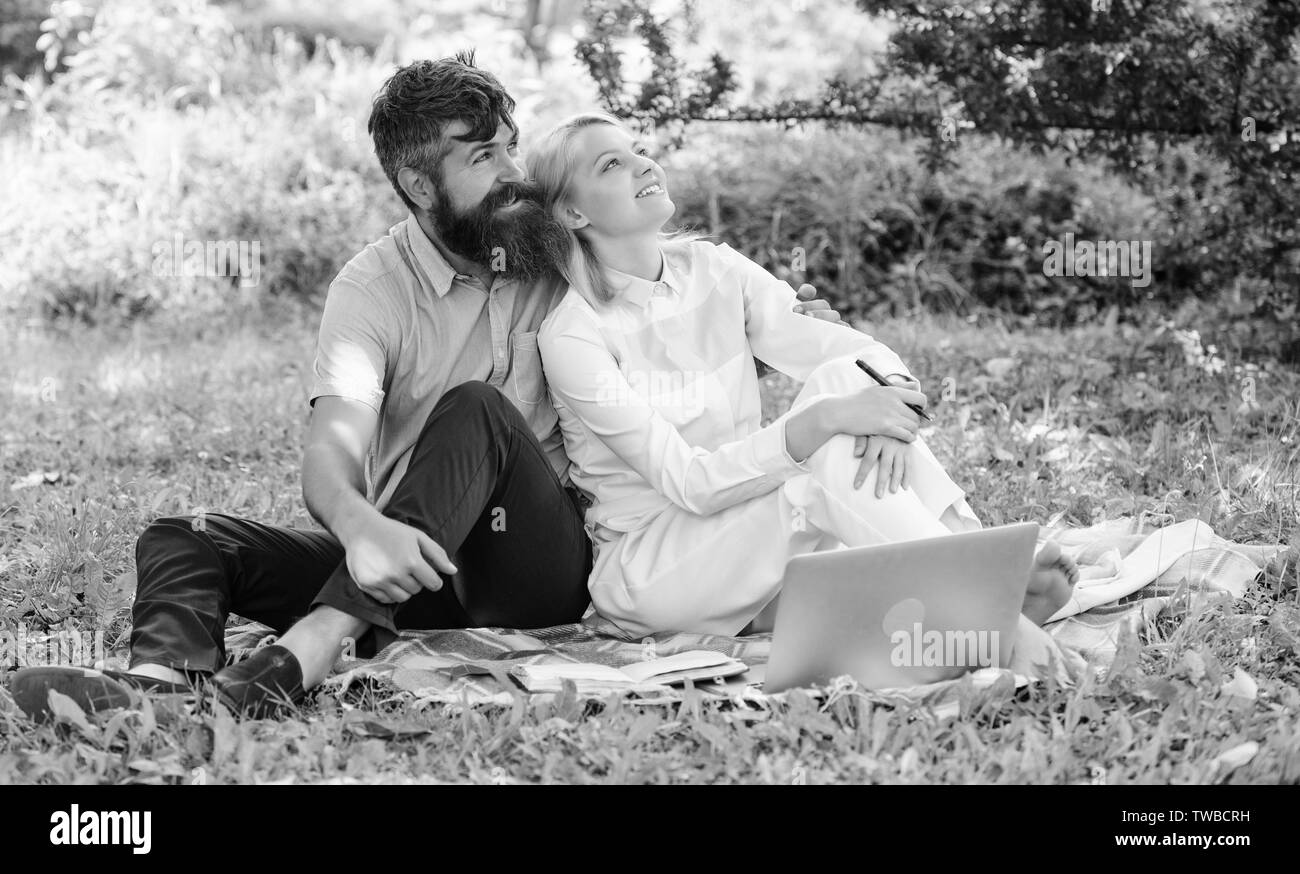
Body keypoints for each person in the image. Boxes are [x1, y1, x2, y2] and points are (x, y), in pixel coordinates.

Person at [8, 54, 844, 721]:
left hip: (536, 560)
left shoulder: (553, 244)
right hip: (408, 565)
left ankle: (309, 648)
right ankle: (159, 692)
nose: (514, 172)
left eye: (510, 145)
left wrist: (781, 328)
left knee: (476, 408)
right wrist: (362, 527)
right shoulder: (372, 290)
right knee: (186, 535)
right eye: (484, 157)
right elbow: (331, 452)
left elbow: (671, 304)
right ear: (418, 185)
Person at [529, 112, 1079, 642]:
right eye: (611, 164)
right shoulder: (574, 336)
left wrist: (891, 410)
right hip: (658, 566)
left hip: (754, 525)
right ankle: (983, 589)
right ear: (573, 213)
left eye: (640, 151)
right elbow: (691, 484)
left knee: (846, 378)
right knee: (820, 458)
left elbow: (855, 353)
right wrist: (826, 421)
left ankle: (978, 574)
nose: (644, 164)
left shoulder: (715, 268)